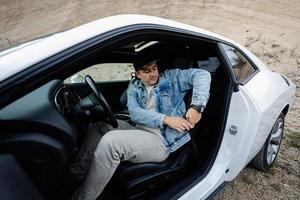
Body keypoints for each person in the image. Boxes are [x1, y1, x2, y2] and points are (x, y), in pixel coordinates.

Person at [72, 54, 211, 200]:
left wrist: (196, 106)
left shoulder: (171, 78)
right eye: (146, 71)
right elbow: (135, 113)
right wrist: (166, 119)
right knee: (99, 128)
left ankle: (83, 197)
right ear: (137, 74)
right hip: (139, 128)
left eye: (154, 68)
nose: (153, 74)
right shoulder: (134, 86)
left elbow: (203, 74)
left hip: (162, 139)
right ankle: (76, 175)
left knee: (111, 143)